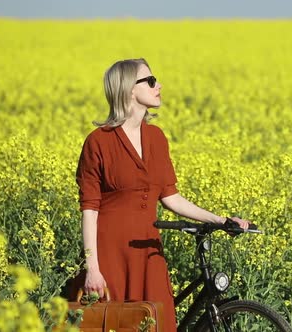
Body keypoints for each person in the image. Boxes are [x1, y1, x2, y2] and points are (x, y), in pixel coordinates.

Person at [74, 58, 250, 330]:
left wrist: (220, 220)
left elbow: (171, 198)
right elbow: (90, 209)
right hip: (109, 254)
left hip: (148, 252)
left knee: (160, 322)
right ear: (129, 89)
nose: (159, 86)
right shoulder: (99, 141)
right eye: (151, 81)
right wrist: (92, 268)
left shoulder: (157, 138)